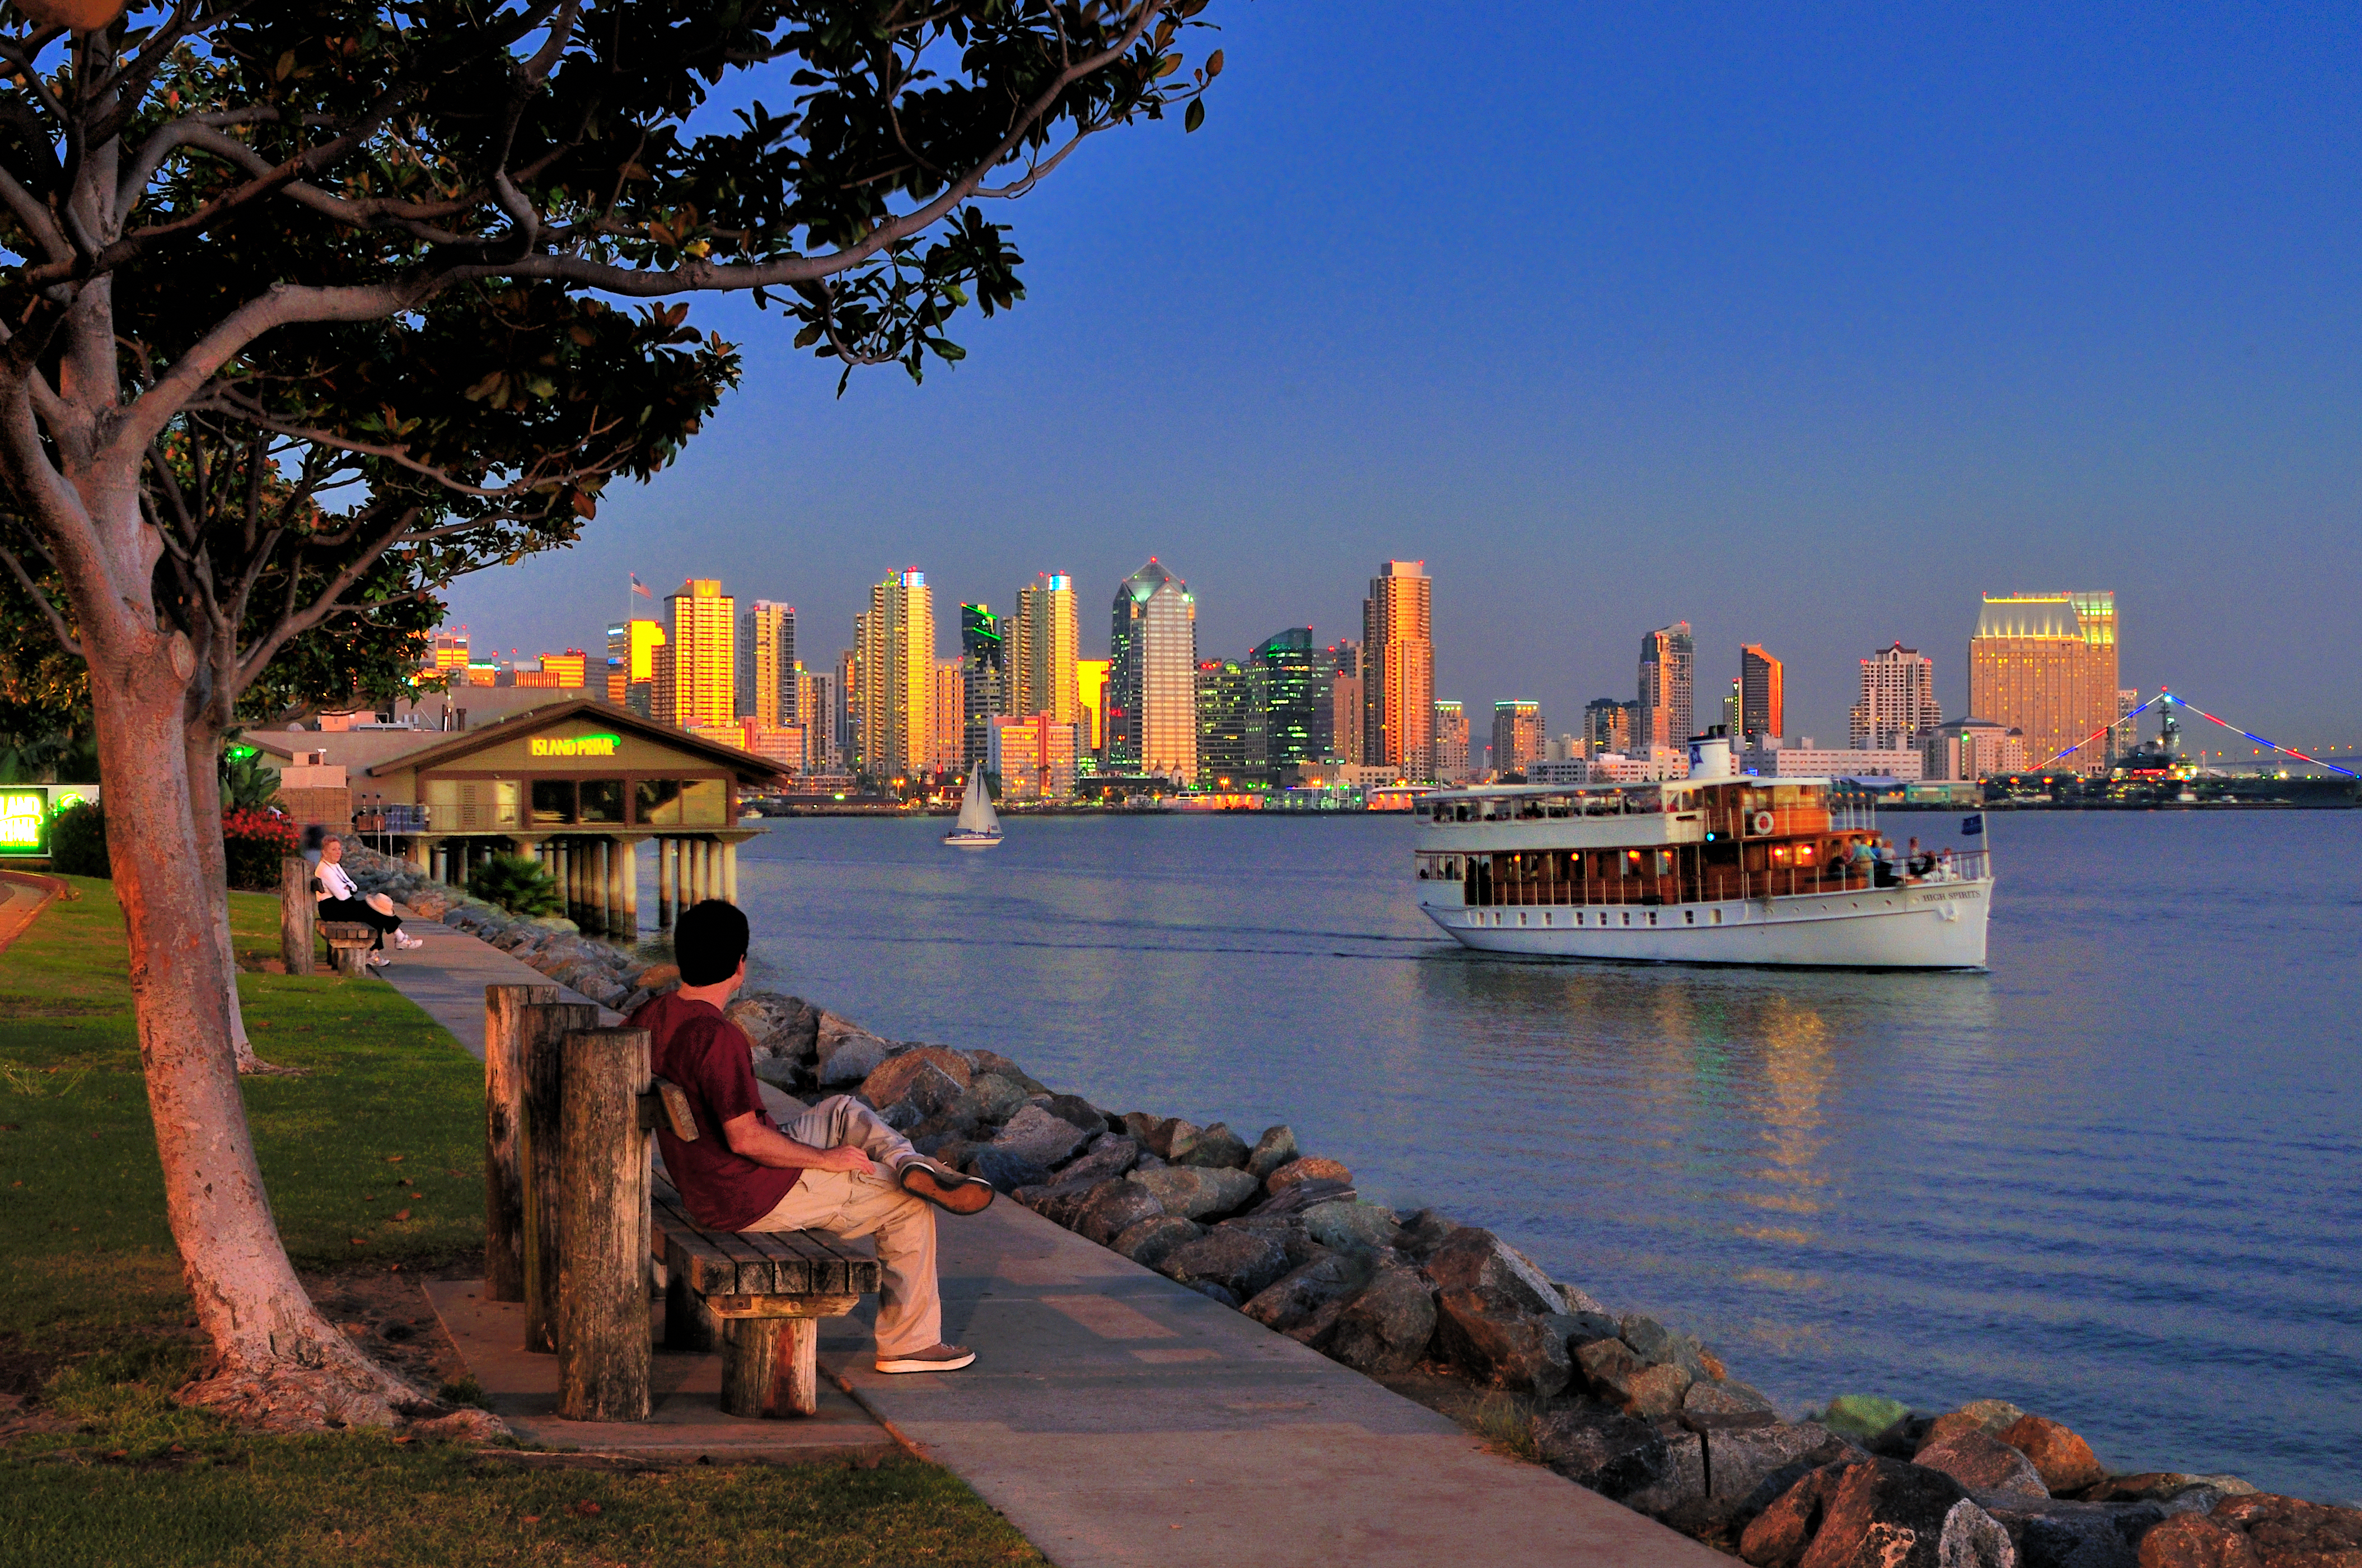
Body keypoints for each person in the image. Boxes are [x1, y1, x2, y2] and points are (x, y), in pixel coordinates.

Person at [632, 900, 991, 1376]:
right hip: (744, 1195)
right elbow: (746, 1140)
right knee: (907, 1205)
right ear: (741, 966)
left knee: (842, 1110)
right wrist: (827, 1160)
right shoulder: (717, 1035)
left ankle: (910, 1162)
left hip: (706, 1179)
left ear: (682, 958)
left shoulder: (654, 1013)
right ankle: (910, 1343)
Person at [314, 834, 416, 966]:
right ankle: (398, 938)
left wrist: (348, 888)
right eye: (334, 849)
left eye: (339, 849)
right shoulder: (325, 870)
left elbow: (353, 886)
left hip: (342, 905)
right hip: (332, 909)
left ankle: (385, 947)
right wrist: (348, 888)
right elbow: (342, 896)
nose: (338, 852)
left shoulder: (335, 866)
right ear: (324, 852)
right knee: (376, 910)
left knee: (377, 911)